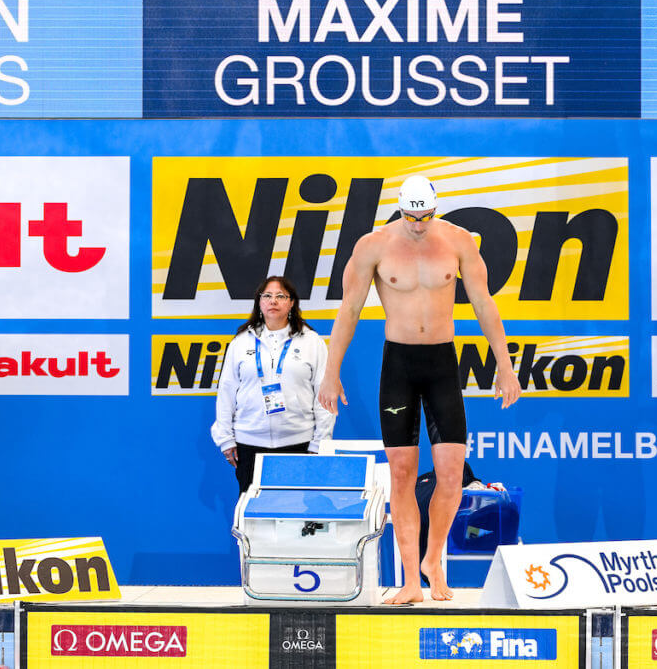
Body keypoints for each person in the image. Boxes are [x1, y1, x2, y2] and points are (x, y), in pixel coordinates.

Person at [318, 175, 521, 604]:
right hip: (400, 366)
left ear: (435, 208)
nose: (417, 225)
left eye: (425, 216)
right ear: (399, 208)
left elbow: (485, 304)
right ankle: (412, 580)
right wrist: (331, 372)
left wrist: (505, 365)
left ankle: (433, 561)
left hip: (442, 364)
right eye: (410, 217)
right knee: (403, 474)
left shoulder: (458, 240)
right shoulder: (372, 245)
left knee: (451, 475)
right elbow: (349, 310)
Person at [212, 276, 335, 494]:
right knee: (252, 517)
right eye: (267, 296)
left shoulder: (312, 342)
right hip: (249, 444)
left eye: (281, 296)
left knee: (296, 516)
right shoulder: (241, 342)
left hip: (299, 443)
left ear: (292, 303)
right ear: (259, 302)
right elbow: (226, 392)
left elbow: (324, 395)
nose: (273, 301)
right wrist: (225, 439)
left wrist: (320, 443)